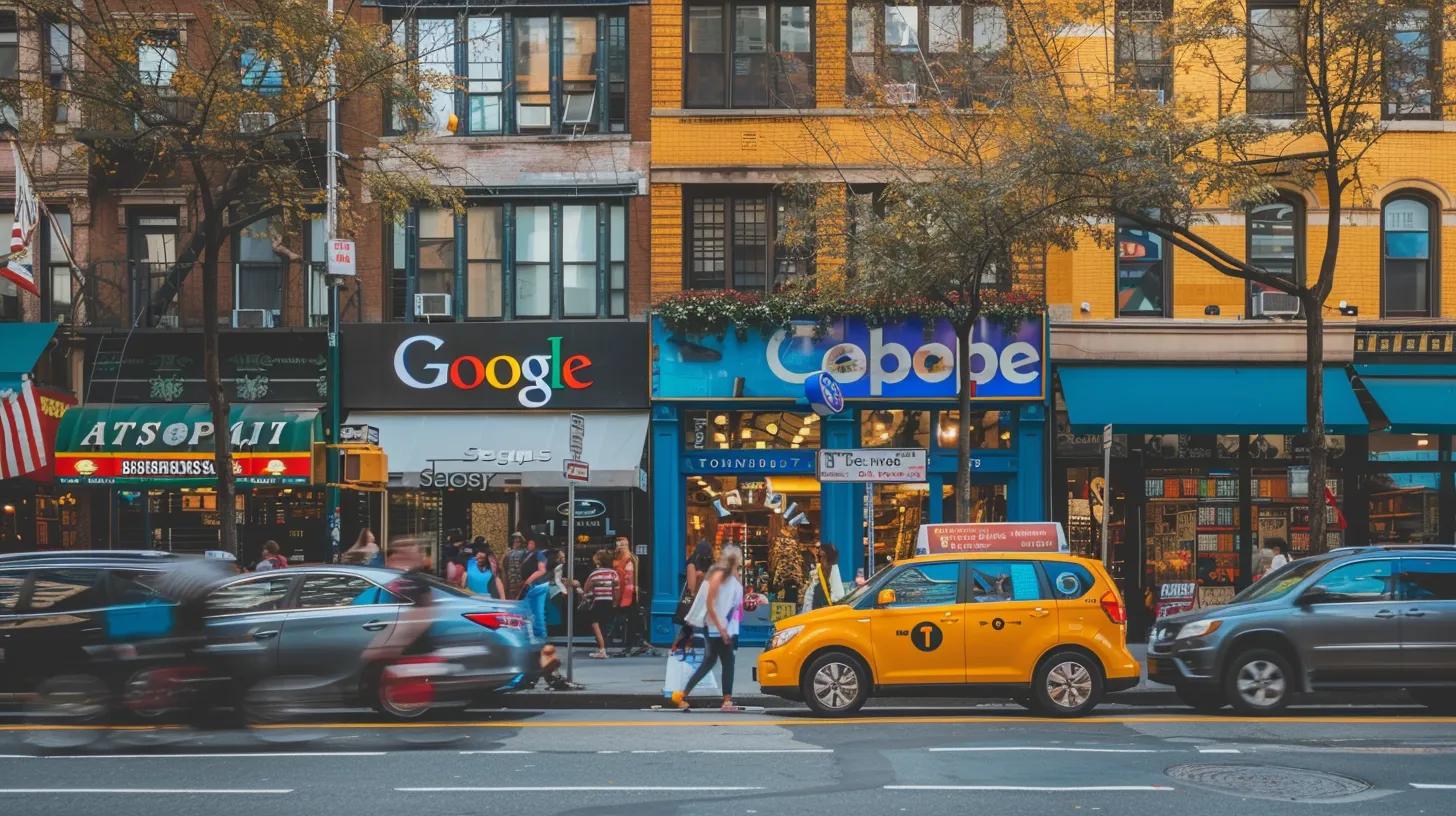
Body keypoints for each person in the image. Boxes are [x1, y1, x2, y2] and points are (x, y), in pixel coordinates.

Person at [674, 544, 756, 712]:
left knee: (710, 662)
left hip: (724, 628)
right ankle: (726, 701)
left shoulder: (733, 577)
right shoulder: (718, 577)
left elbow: (735, 605)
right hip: (716, 628)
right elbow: (710, 605)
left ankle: (682, 695)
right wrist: (722, 628)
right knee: (727, 663)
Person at [670, 540, 715, 654]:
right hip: (705, 601)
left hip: (695, 601)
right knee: (695, 628)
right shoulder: (711, 565)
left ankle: (680, 648)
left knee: (689, 627)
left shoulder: (692, 563)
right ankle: (689, 648)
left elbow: (691, 586)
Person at [582, 549, 622, 659]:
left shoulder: (595, 573)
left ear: (598, 561)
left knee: (595, 625)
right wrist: (615, 602)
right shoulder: (613, 573)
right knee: (604, 625)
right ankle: (602, 648)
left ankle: (602, 650)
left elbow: (586, 588)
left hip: (598, 601)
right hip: (609, 601)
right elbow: (617, 589)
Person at [613, 537, 648, 656]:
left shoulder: (628, 558)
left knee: (631, 619)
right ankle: (639, 642)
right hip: (625, 592)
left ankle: (631, 645)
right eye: (618, 545)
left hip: (628, 593)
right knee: (631, 618)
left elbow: (629, 578)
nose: (619, 547)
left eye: (622, 545)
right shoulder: (622, 557)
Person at [801, 542, 846, 613]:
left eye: (823, 557)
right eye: (819, 557)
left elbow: (838, 596)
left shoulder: (833, 570)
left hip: (822, 616)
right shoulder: (819, 573)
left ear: (829, 558)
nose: (821, 560)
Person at [502, 532, 529, 601]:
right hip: (511, 578)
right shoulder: (509, 552)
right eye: (515, 541)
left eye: (518, 542)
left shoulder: (525, 552)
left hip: (520, 579)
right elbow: (503, 565)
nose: (516, 543)